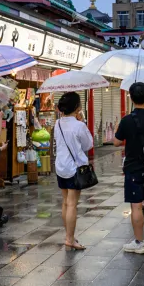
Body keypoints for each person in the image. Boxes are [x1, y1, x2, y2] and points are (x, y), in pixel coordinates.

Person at [113, 82, 144, 254]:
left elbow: (117, 142)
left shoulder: (127, 120)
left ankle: (139, 242)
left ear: (131, 98)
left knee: (136, 206)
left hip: (133, 167)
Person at [53, 92, 93, 251]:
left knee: (65, 202)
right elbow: (88, 145)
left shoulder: (57, 124)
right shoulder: (79, 125)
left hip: (61, 166)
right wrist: (82, 122)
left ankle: (68, 235)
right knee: (72, 205)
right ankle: (70, 238)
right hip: (74, 168)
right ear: (77, 107)